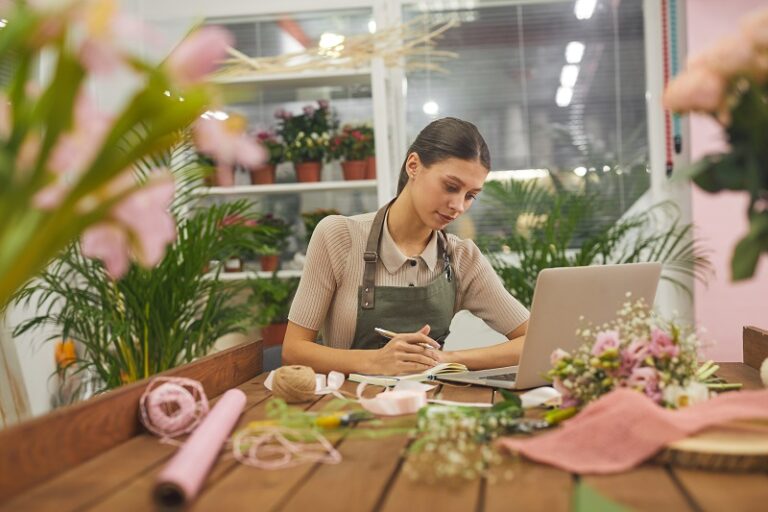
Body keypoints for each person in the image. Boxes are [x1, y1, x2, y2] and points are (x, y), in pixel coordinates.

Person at [282, 117, 529, 375]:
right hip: (347, 406)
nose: (458, 206)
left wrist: (445, 358)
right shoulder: (339, 237)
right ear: (414, 166)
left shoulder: (462, 258)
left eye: (470, 196)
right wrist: (374, 362)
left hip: (430, 405)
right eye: (451, 186)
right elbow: (293, 350)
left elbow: (535, 341)